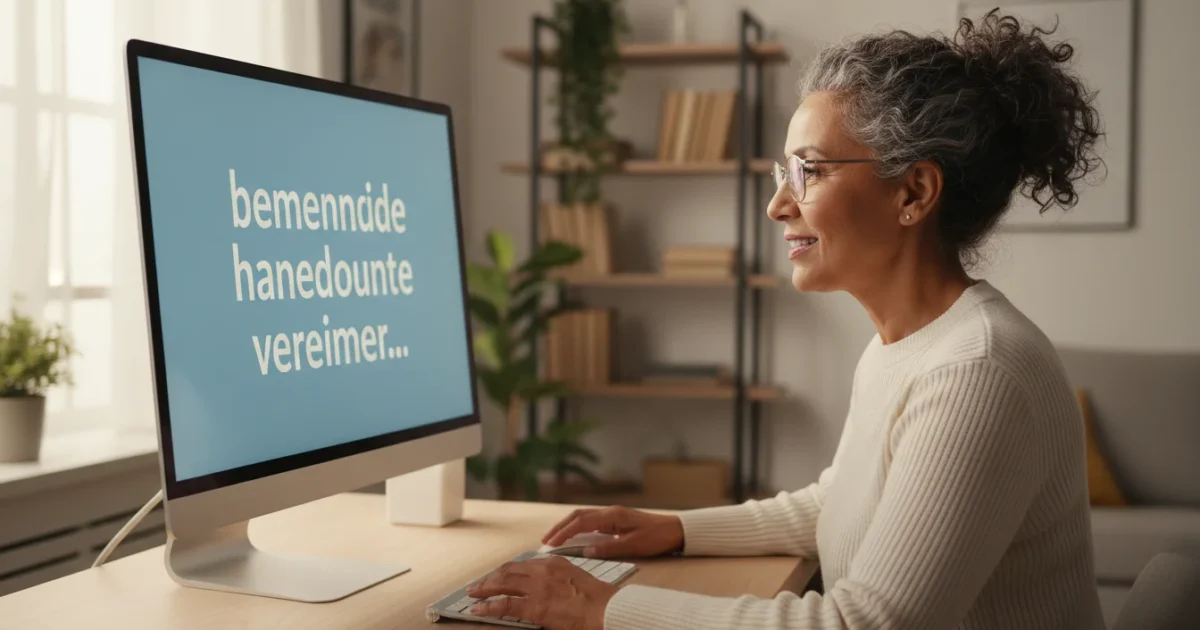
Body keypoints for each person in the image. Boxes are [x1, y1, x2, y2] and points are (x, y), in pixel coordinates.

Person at [468, 9, 1106, 630]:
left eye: (810, 172)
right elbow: (842, 501)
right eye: (784, 173)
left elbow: (862, 624)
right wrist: (678, 527)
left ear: (913, 193)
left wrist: (599, 609)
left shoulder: (977, 371)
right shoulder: (906, 344)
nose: (778, 205)